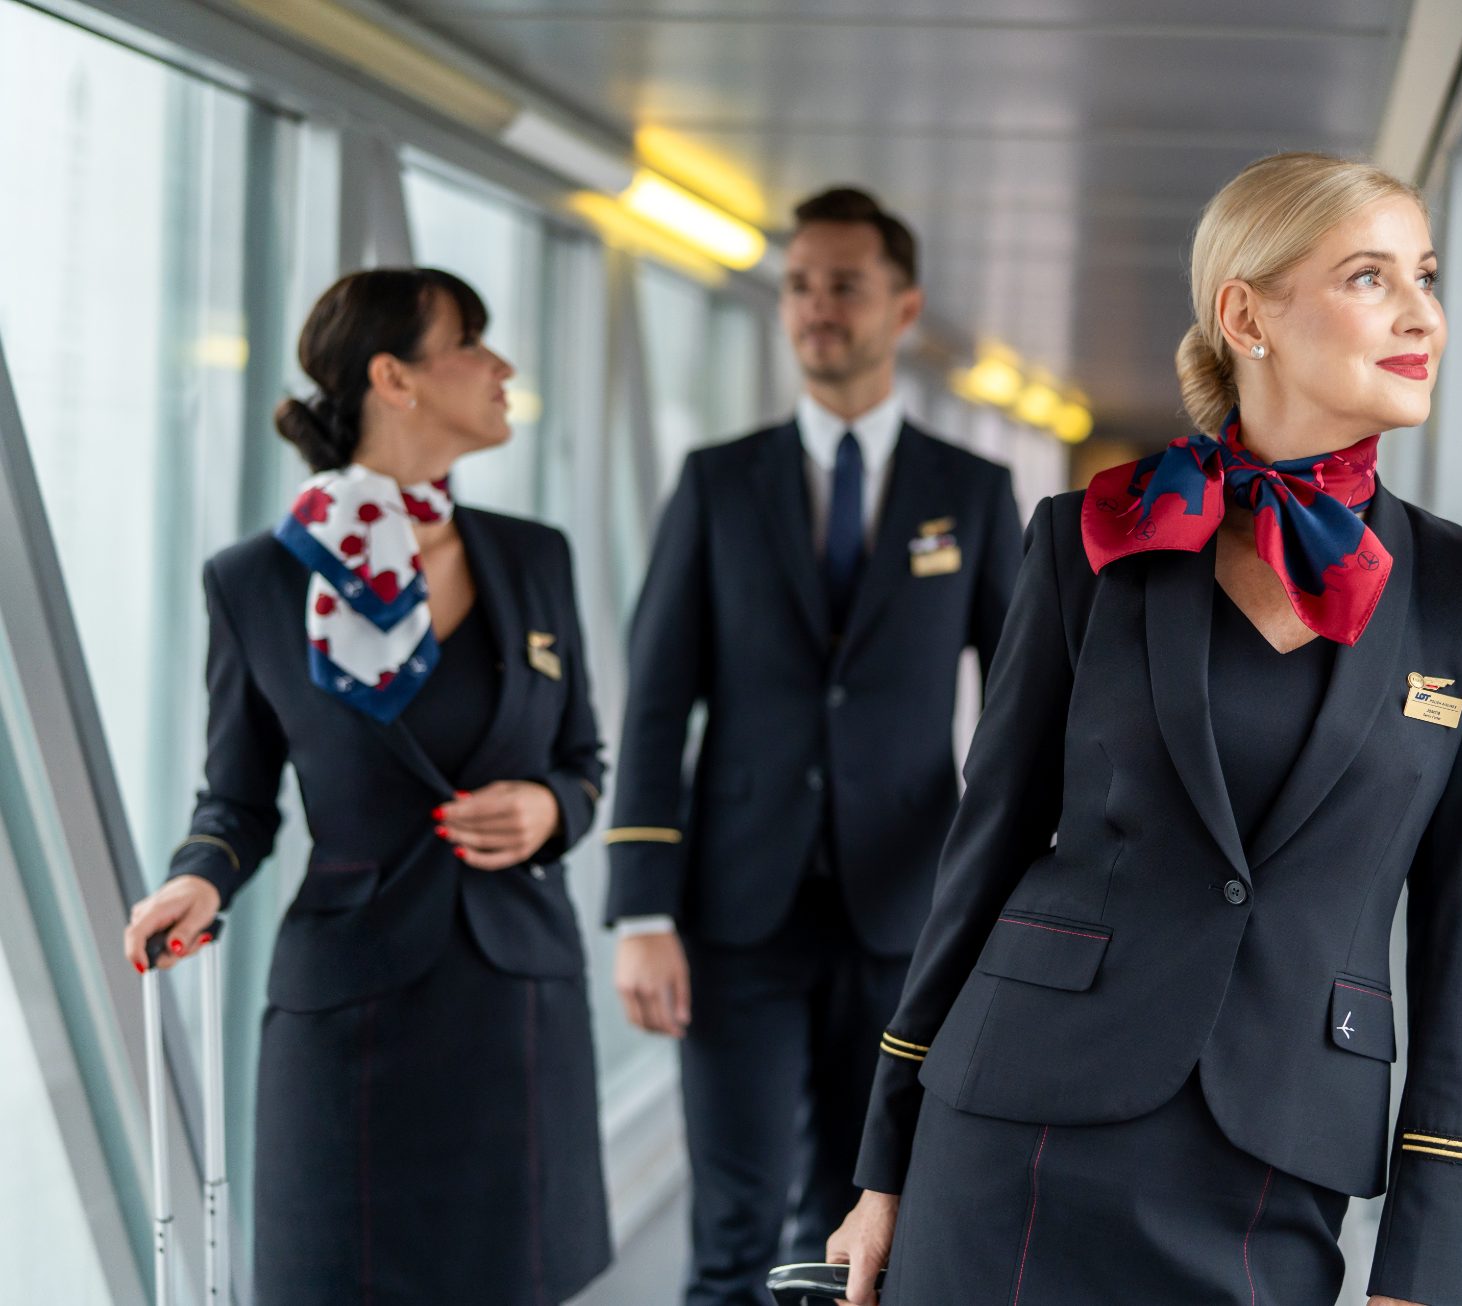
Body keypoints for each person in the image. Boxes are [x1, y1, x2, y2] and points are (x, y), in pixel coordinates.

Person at [827, 152, 1462, 1306]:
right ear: (1246, 314)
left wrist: (1426, 1265)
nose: (1421, 317)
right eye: (1368, 278)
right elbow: (984, 849)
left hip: (1274, 1164)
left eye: (1426, 276)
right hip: (1014, 1133)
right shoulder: (1090, 540)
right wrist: (882, 1168)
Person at [122, 268, 612, 1305]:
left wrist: (549, 810)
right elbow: (238, 801)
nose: (503, 366)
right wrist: (197, 881)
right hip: (350, 1008)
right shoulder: (254, 580)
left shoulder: (534, 558)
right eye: (472, 342)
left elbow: (582, 760)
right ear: (396, 377)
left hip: (514, 995)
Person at [604, 187, 1023, 1305]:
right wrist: (642, 909)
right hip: (735, 909)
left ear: (904, 307)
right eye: (798, 284)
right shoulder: (717, 481)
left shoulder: (972, 495)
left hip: (906, 917)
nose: (815, 307)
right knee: (732, 1221)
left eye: (844, 284)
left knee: (859, 1224)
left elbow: (1027, 706)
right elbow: (654, 701)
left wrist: (1003, 888)